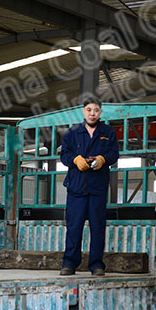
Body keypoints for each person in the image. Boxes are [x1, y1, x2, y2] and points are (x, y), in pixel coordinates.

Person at [59, 99, 119, 276]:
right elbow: (64, 155)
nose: (92, 113)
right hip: (76, 187)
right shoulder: (72, 132)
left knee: (98, 226)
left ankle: (96, 265)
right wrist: (75, 160)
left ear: (100, 113)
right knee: (74, 226)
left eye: (96, 110)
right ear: (83, 111)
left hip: (97, 188)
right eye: (89, 110)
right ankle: (69, 263)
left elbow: (114, 154)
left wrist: (103, 159)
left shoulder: (108, 132)